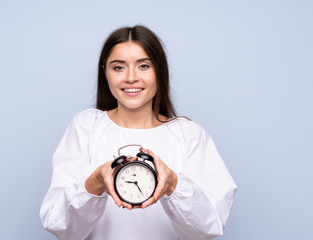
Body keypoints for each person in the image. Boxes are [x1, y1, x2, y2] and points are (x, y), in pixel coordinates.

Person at [40, 25, 237, 240]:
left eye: (143, 66)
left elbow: (209, 227)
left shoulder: (189, 135)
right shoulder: (85, 127)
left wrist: (172, 183)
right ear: (105, 71)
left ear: (159, 71)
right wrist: (95, 181)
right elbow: (58, 224)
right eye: (118, 68)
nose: (131, 78)